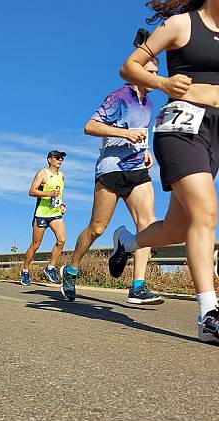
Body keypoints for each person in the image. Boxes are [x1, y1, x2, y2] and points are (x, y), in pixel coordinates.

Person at [109, 0, 219, 342]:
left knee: (176, 228)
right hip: (181, 126)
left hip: (216, 132)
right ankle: (209, 314)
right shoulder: (181, 24)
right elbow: (130, 67)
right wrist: (163, 84)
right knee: (206, 212)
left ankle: (127, 242)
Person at [60, 42, 164, 304]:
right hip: (111, 169)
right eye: (151, 73)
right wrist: (125, 133)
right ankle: (71, 270)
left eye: (157, 73)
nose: (156, 78)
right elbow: (90, 126)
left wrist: (146, 149)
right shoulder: (119, 96)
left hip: (137, 168)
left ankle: (138, 286)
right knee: (97, 228)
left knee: (148, 223)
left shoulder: (149, 103)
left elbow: (142, 130)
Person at [20, 150, 67, 286]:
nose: (60, 160)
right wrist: (49, 193)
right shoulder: (43, 173)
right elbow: (32, 191)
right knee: (35, 245)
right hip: (41, 213)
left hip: (55, 212)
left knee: (61, 240)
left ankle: (50, 268)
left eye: (62, 158)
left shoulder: (62, 176)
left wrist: (62, 204)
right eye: (57, 157)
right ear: (49, 159)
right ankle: (25, 271)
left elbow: (60, 194)